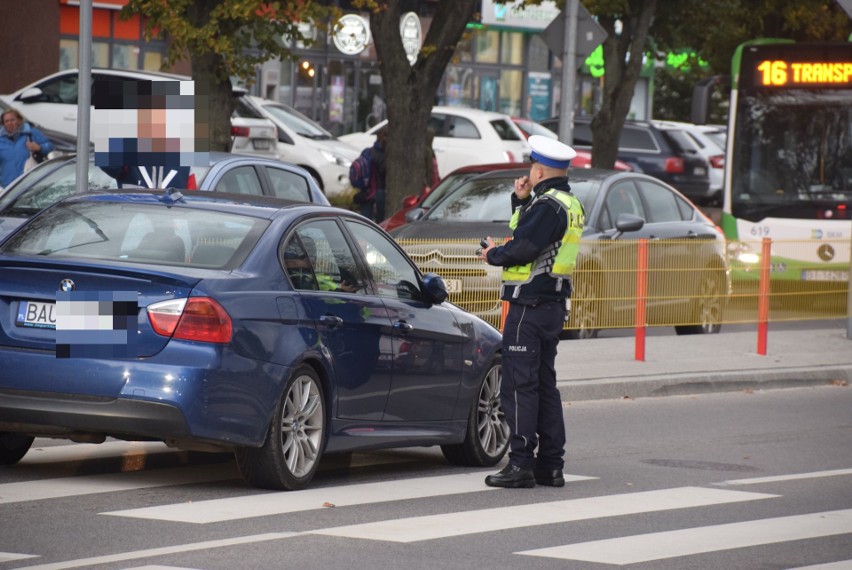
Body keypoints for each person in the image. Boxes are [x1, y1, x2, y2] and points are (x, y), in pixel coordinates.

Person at [477, 135, 585, 489]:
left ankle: (521, 464)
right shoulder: (567, 204)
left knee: (519, 385)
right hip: (551, 305)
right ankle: (550, 465)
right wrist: (520, 200)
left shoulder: (548, 207)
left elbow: (523, 247)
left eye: (531, 169)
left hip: (529, 306)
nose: (528, 174)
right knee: (543, 385)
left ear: (538, 170)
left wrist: (492, 255)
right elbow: (532, 235)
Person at [0, 108, 54, 188]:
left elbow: (50, 146)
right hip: (8, 186)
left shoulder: (31, 133)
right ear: (3, 124)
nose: (10, 123)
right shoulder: (1, 139)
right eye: (7, 121)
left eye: (12, 120)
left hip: (30, 184)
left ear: (19, 120)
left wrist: (39, 148)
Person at [357, 126, 387, 222]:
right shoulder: (385, 155)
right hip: (379, 191)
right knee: (380, 223)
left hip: (366, 192)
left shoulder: (367, 152)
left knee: (364, 221)